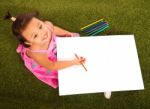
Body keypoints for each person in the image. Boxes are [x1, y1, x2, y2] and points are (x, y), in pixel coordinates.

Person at [4, 11, 86, 89]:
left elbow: (54, 29)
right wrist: (73, 62)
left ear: (41, 21)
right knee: (62, 72)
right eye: (35, 35)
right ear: (28, 43)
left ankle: (52, 47)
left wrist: (68, 33)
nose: (42, 33)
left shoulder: (46, 25)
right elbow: (52, 66)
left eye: (40, 26)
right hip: (45, 62)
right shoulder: (36, 53)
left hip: (50, 51)